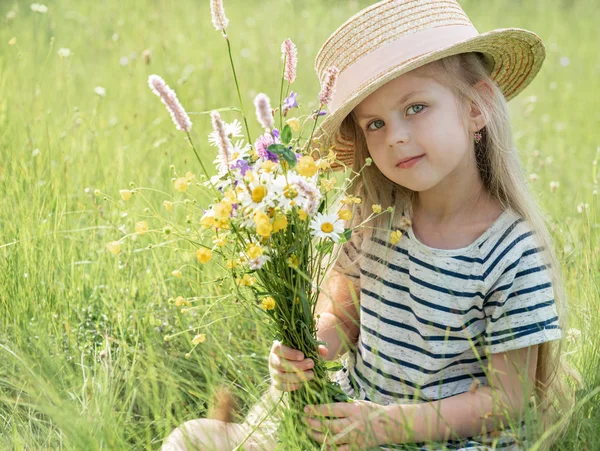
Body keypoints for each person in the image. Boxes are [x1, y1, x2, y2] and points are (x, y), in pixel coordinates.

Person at [162, 0, 569, 449]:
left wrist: (386, 425)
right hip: (352, 422)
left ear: (477, 108)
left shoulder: (513, 252)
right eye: (375, 123)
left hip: (443, 440)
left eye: (415, 107)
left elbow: (508, 399)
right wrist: (307, 354)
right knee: (191, 438)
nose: (394, 135)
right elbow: (341, 315)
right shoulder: (378, 223)